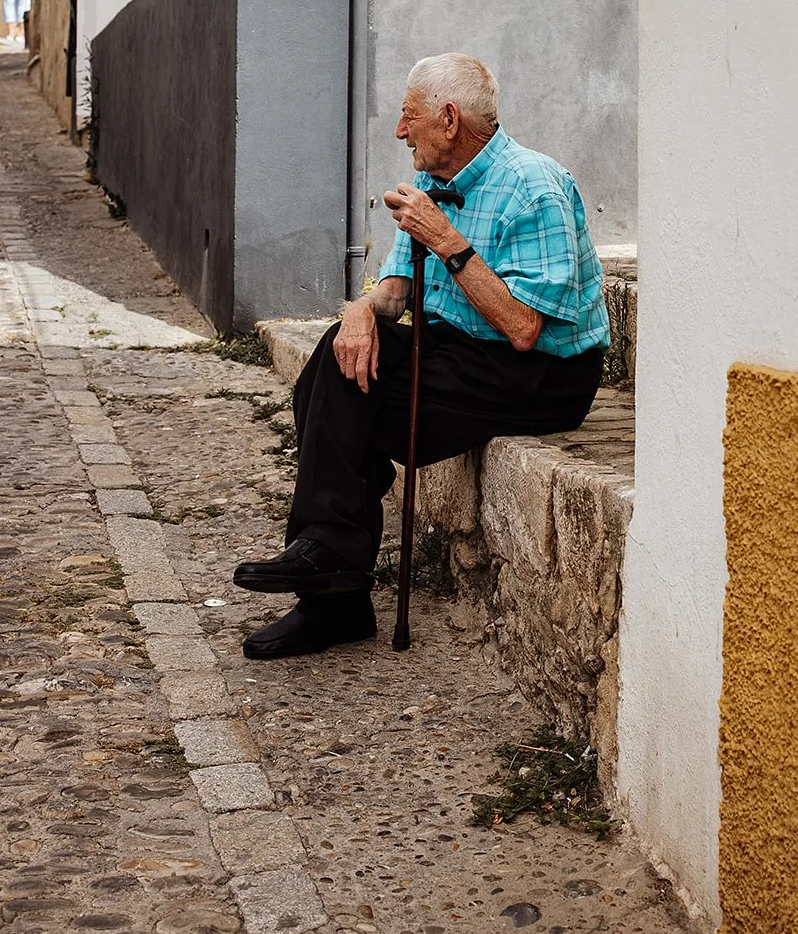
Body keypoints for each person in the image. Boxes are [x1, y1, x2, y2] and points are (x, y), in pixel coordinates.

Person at [234, 52, 611, 659]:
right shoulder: (438, 185)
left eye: (408, 117)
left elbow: (522, 327)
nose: (399, 131)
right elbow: (394, 290)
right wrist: (359, 313)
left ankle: (335, 587)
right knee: (338, 364)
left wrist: (446, 239)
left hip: (541, 373)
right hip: (460, 351)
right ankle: (332, 578)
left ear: (449, 119)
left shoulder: (533, 186)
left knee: (348, 409)